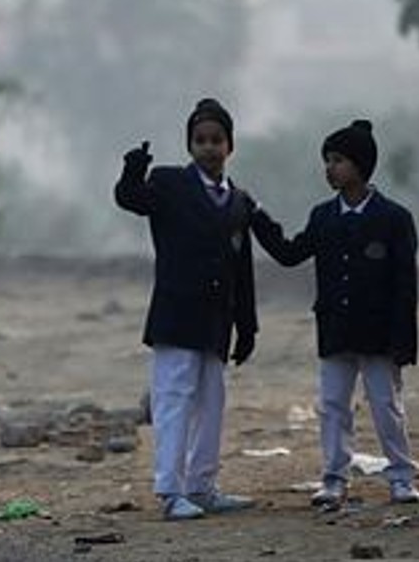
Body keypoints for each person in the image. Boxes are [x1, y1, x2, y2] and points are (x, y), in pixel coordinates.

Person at [250, 119, 419, 508]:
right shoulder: (323, 217)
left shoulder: (394, 219)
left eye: (338, 160)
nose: (330, 168)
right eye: (327, 160)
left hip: (379, 334)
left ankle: (401, 476)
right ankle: (334, 479)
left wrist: (404, 343)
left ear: (361, 164)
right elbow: (290, 253)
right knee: (332, 407)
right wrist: (257, 215)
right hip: (336, 330)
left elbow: (404, 288)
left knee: (386, 406)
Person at [115, 98, 259, 521]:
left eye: (217, 140)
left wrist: (247, 326)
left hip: (216, 321)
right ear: (190, 145)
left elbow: (243, 270)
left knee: (212, 402)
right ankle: (170, 490)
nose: (209, 148)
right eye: (200, 140)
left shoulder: (238, 201)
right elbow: (130, 198)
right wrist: (132, 170)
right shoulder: (169, 184)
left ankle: (202, 484)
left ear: (230, 146)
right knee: (173, 399)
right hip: (176, 317)